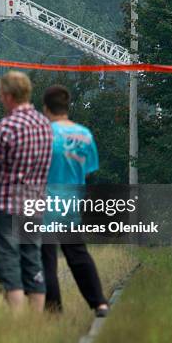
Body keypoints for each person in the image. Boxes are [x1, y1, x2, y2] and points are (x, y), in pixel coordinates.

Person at [0, 71, 53, 313]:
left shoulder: (6, 127)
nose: (0, 99)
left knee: (9, 265)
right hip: (35, 204)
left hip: (7, 205)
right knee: (33, 264)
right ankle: (36, 323)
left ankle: (18, 323)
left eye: (1, 94)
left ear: (8, 96)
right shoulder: (45, 125)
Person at [40, 85, 109, 317]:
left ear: (46, 108)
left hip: (45, 202)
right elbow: (88, 170)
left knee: (46, 259)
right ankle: (99, 302)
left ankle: (53, 310)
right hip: (71, 202)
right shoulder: (84, 134)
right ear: (67, 107)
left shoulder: (43, 134)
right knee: (78, 255)